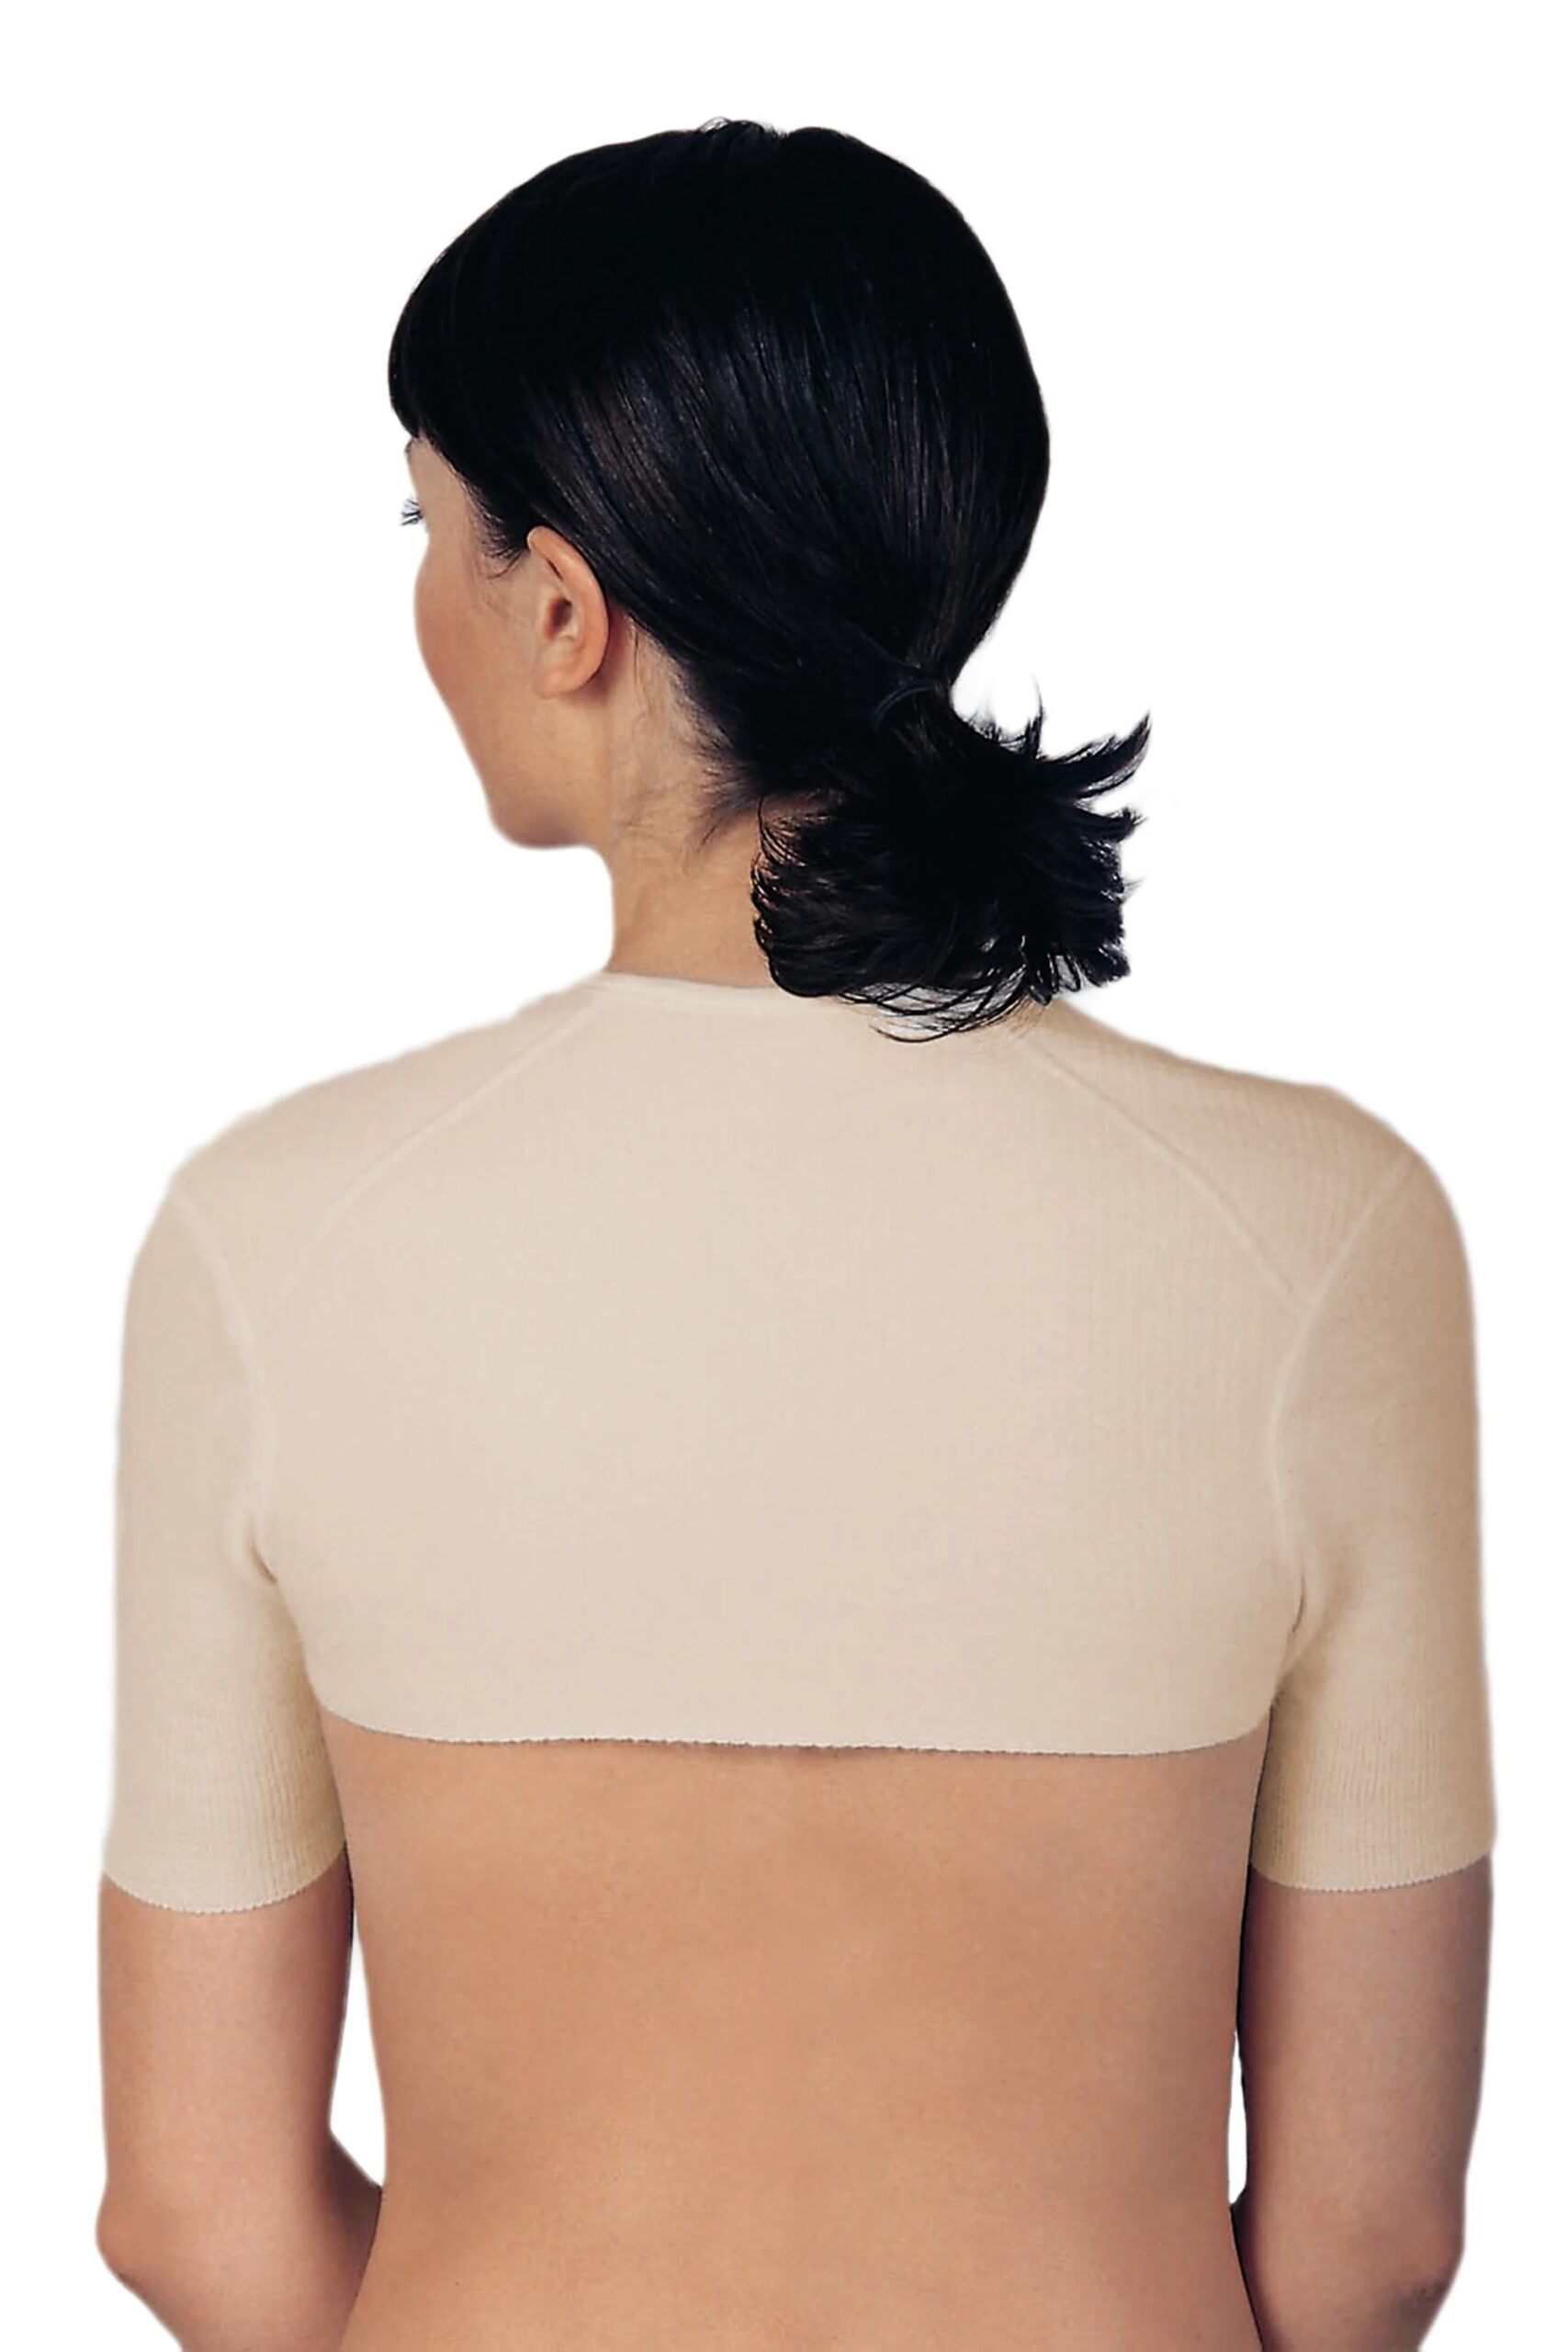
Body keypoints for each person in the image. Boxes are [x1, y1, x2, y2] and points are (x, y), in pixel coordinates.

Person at [94, 120, 1495, 2352]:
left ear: (562, 609)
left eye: (422, 524)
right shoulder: (1319, 1237)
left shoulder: (272, 1243)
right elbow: (1370, 2238)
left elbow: (198, 2210)